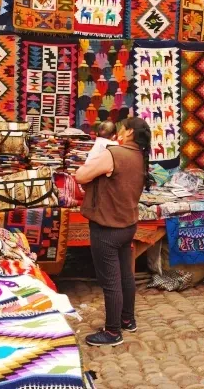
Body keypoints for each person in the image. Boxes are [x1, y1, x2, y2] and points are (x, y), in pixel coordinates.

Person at [74, 117, 152, 346]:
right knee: (126, 275)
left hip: (107, 227)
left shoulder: (114, 154)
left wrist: (94, 159)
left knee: (111, 281)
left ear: (128, 133)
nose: (119, 132)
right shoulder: (140, 156)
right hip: (127, 225)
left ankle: (112, 332)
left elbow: (81, 176)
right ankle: (128, 319)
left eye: (122, 129)